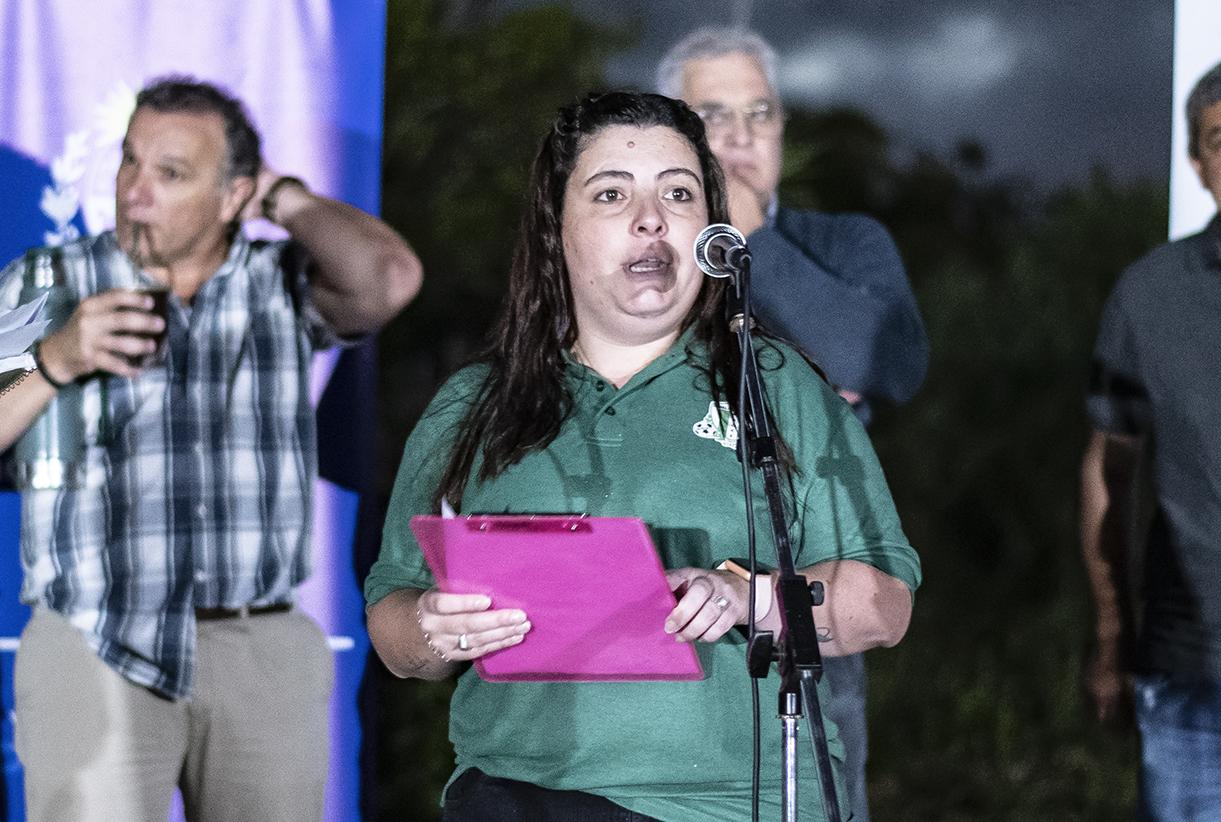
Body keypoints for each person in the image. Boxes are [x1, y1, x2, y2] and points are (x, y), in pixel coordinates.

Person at [365, 90, 920, 822]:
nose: (650, 218)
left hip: (732, 805)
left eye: (678, 192)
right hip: (515, 797)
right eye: (610, 193)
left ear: (709, 227)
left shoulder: (778, 386)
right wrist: (433, 628)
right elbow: (393, 617)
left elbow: (886, 604)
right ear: (554, 229)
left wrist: (743, 597)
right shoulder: (475, 402)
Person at [0, 76, 422, 821]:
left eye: (171, 174)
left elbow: (389, 279)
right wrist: (55, 361)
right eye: (130, 162)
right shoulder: (47, 280)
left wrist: (283, 196)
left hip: (258, 643)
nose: (135, 191)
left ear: (232, 197)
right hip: (93, 636)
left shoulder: (281, 284)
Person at [655, 28, 929, 822]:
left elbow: (884, 361)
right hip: (661, 604)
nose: (739, 136)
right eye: (713, 114)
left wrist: (747, 235)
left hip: (808, 611)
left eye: (759, 114)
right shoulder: (645, 261)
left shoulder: (841, 243)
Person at [1080, 56, 1221, 820]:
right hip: (1188, 674)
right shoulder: (1150, 293)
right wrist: (1111, 638)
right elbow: (1108, 473)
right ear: (1196, 162)